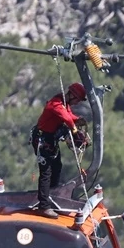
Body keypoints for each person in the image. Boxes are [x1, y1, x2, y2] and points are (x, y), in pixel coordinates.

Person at [32, 82, 88, 217]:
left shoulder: (64, 104)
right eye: (77, 100)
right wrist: (74, 129)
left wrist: (77, 120)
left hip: (50, 140)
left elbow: (69, 115)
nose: (77, 103)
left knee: (57, 167)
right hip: (42, 140)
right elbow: (65, 116)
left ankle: (52, 197)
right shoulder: (55, 103)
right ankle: (43, 206)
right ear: (72, 96)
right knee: (46, 172)